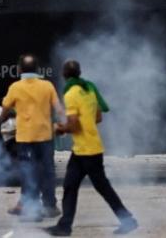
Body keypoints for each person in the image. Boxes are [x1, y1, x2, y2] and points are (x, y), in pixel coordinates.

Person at [45, 60, 138, 236]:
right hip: (86, 148)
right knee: (70, 186)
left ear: (64, 75)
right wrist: (81, 123)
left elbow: (72, 125)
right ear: (79, 72)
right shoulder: (89, 89)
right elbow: (98, 117)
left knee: (102, 187)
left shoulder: (71, 94)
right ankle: (64, 226)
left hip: (87, 151)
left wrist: (58, 128)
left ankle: (128, 220)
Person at [0, 55, 65, 222]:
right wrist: (63, 125)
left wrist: (3, 117)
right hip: (46, 136)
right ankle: (50, 206)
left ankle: (32, 209)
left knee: (29, 173)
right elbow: (58, 109)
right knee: (48, 172)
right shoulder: (47, 86)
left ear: (19, 69)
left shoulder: (15, 87)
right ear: (37, 69)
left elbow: (3, 112)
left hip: (25, 138)